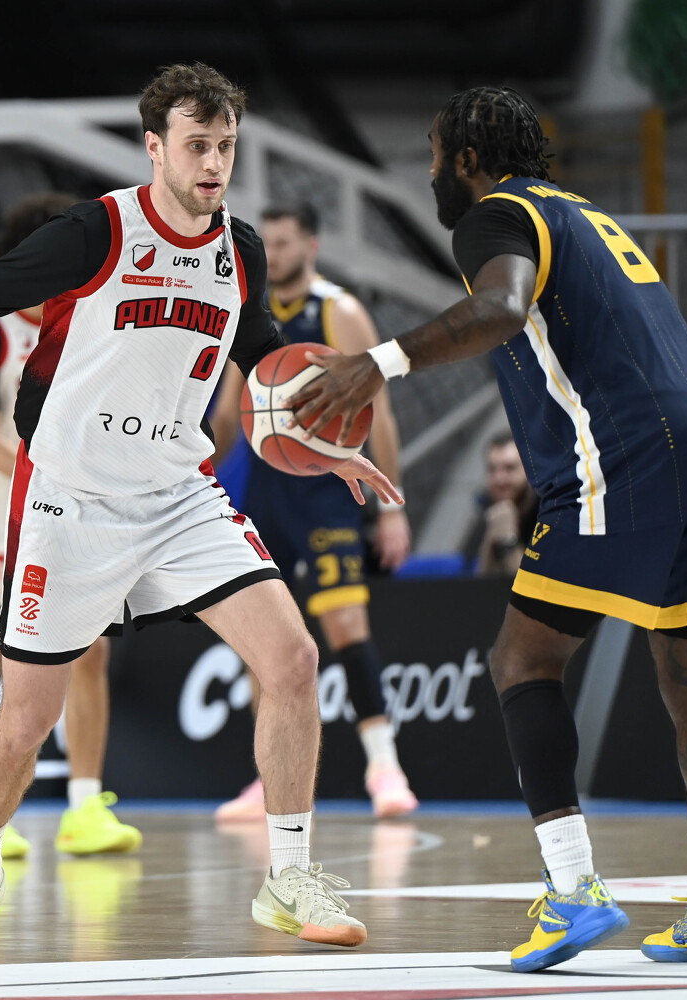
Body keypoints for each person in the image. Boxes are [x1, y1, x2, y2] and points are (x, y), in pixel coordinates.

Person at [0, 62, 400, 957]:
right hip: (69, 497)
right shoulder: (97, 231)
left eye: (225, 146)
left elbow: (261, 351)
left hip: (176, 491)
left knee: (292, 658)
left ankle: (287, 876)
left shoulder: (240, 249)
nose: (213, 163)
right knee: (25, 720)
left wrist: (325, 443)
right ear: (154, 148)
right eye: (197, 146)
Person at [289, 86, 687, 971]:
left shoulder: (494, 215)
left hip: (629, 453)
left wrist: (378, 363)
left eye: (435, 157)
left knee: (521, 661)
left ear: (469, 160)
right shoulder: (580, 213)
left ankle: (573, 887)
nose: (431, 174)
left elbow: (503, 308)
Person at [208, 202, 418, 821]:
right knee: (261, 638)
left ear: (312, 246)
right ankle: (267, 779)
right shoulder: (252, 314)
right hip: (266, 493)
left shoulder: (338, 311)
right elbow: (228, 414)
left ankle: (384, 767)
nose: (273, 254)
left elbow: (380, 413)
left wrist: (392, 510)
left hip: (329, 491)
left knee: (346, 624)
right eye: (267, 243)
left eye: (284, 242)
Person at [0, 193, 140, 861]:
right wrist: (44, 480)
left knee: (90, 653)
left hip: (77, 521)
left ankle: (85, 806)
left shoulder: (93, 322)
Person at [462, 430, 538, 575]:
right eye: (492, 469)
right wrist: (490, 542)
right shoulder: (486, 507)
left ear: (529, 470)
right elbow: (478, 582)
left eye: (510, 468)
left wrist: (508, 539)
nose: (499, 479)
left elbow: (536, 584)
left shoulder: (548, 513)